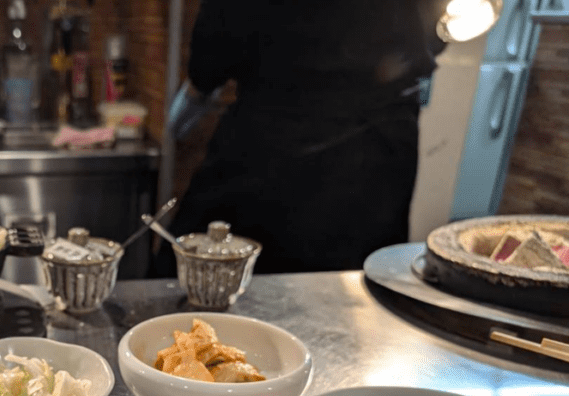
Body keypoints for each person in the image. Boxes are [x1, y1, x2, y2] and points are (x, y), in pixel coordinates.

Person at [152, 0, 449, 276]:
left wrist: (199, 86)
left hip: (276, 137)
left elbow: (215, 46)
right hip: (383, 140)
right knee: (354, 295)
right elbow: (437, 29)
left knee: (201, 276)